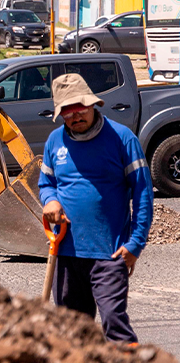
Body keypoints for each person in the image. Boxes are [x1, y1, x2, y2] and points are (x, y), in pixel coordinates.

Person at [39, 74, 153, 345]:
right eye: (67, 111)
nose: (75, 115)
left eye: (80, 108)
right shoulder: (55, 142)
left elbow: (143, 193)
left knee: (114, 321)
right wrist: (50, 200)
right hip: (66, 253)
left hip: (110, 254)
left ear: (93, 105)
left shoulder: (122, 139)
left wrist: (135, 244)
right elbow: (46, 183)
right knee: (71, 331)